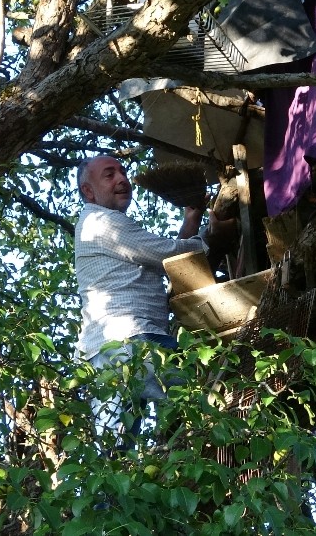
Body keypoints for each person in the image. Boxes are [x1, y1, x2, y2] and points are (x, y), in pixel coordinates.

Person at [73, 155, 235, 448]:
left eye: (122, 171)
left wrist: (191, 223)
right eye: (109, 175)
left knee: (115, 454)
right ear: (88, 192)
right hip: (133, 342)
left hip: (104, 354)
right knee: (208, 405)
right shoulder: (102, 222)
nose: (122, 179)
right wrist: (211, 236)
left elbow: (166, 261)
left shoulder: (93, 223)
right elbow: (170, 256)